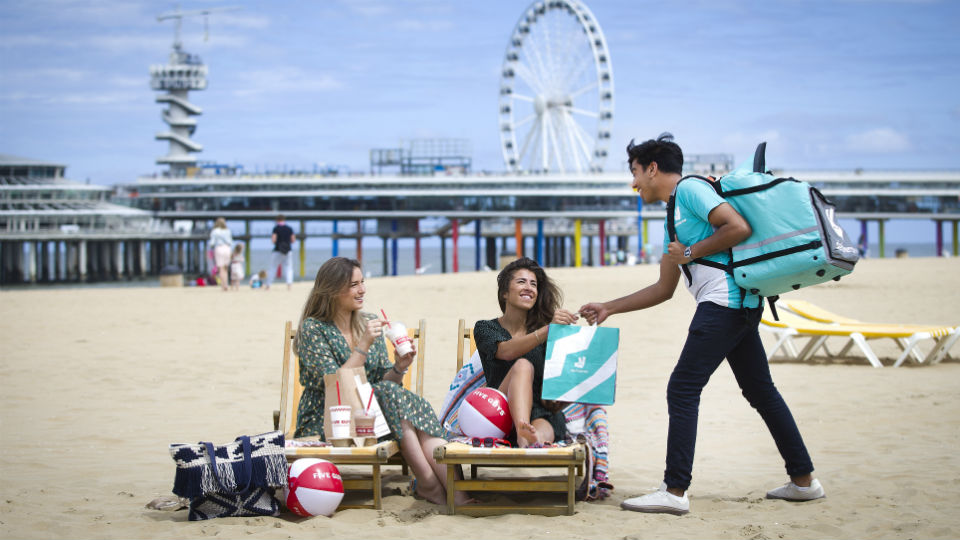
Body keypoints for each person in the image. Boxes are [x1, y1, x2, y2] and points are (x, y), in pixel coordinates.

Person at [579, 134, 824, 515]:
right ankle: (804, 481)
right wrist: (609, 307)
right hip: (740, 306)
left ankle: (674, 491)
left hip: (724, 305)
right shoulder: (671, 217)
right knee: (761, 392)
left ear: (652, 168)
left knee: (682, 388)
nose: (634, 183)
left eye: (635, 173)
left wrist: (691, 252)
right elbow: (664, 288)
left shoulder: (691, 190)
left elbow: (737, 227)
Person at [294, 257, 470, 506]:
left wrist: (399, 367)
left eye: (362, 282)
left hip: (370, 418)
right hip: (331, 419)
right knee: (391, 395)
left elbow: (383, 382)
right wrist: (363, 345)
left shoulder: (368, 321)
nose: (362, 289)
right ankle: (433, 486)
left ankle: (451, 491)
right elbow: (335, 384)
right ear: (332, 290)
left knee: (392, 394)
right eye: (354, 284)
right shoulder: (315, 328)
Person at [473, 257, 579, 448]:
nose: (529, 288)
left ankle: (533, 440)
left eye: (534, 284)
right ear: (505, 293)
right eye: (521, 282)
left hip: (538, 412)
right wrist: (548, 330)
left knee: (544, 425)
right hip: (499, 413)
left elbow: (551, 390)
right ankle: (524, 437)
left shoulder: (545, 334)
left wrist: (563, 395)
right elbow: (506, 351)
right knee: (522, 366)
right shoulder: (486, 328)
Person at [267, 214, 295, 290]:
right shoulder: (289, 228)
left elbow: (273, 240)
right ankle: (289, 285)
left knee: (273, 267)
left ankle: (268, 285)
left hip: (277, 250)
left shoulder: (276, 228)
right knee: (288, 268)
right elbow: (293, 240)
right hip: (288, 250)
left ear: (277, 220)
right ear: (284, 219)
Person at [208, 217, 233, 292]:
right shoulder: (227, 231)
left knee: (221, 268)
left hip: (219, 248)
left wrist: (211, 247)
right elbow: (230, 242)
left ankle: (223, 285)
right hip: (227, 249)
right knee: (226, 268)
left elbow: (212, 243)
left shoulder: (215, 231)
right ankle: (226, 284)